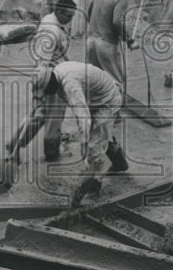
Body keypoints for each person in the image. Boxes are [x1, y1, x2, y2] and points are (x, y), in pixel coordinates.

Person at [31, 61, 128, 207]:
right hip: (95, 97)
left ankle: (92, 188)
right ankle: (120, 162)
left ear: (50, 82)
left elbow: (83, 118)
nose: (46, 94)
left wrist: (85, 148)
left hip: (107, 100)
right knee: (98, 135)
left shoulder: (70, 85)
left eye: (45, 90)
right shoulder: (57, 72)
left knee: (94, 148)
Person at [23, 0, 77, 162]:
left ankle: (17, 143)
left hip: (50, 73)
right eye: (69, 16)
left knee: (40, 114)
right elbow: (43, 61)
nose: (71, 19)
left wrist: (71, 64)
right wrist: (41, 88)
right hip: (50, 78)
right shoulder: (52, 31)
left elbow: (60, 51)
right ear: (59, 12)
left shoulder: (51, 20)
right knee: (54, 117)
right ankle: (52, 153)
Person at [85, 0, 137, 93]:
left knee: (94, 77)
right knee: (116, 80)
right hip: (106, 44)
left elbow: (88, 14)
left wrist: (97, 26)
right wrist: (129, 40)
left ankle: (95, 105)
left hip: (90, 41)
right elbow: (116, 22)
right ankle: (116, 107)